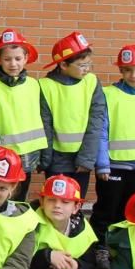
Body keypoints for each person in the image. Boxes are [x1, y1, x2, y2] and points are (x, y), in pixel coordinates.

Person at [92, 44, 135, 269]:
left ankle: (118, 246)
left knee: (128, 210)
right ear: (121, 71)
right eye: (128, 70)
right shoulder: (109, 94)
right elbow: (101, 131)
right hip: (112, 164)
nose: (133, 75)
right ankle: (99, 247)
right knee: (106, 209)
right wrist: (102, 164)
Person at [39, 31, 107, 201]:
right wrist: (45, 161)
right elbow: (44, 125)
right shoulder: (45, 86)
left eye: (89, 64)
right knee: (55, 203)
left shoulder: (92, 82)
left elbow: (96, 122)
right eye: (82, 65)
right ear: (63, 65)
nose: (87, 69)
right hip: (56, 159)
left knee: (75, 203)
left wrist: (86, 159)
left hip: (81, 160)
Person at [0, 29, 47, 201]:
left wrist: (43, 156)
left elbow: (43, 120)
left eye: (18, 59)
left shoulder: (34, 85)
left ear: (26, 58)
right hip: (2, 158)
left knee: (19, 198)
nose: (13, 64)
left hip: (28, 157)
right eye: (7, 59)